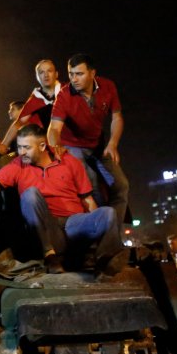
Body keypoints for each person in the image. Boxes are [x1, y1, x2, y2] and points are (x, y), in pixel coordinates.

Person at [0, 124, 123, 275]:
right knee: (30, 194)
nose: (21, 152)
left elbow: (88, 201)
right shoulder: (18, 166)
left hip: (74, 224)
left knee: (108, 213)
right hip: (47, 229)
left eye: (26, 148)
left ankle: (102, 261)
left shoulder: (69, 161)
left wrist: (97, 226)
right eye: (19, 147)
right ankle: (50, 257)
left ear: (43, 145)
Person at [47, 53, 129, 228]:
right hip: (73, 147)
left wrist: (113, 143)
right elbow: (54, 128)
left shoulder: (108, 86)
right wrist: (56, 145)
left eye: (79, 74)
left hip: (99, 146)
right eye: (71, 74)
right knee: (92, 187)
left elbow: (117, 117)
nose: (74, 79)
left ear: (92, 74)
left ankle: (113, 232)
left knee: (121, 185)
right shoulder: (64, 94)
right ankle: (98, 232)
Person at [1, 59, 61, 150]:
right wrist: (3, 145)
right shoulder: (36, 98)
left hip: (79, 142)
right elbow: (19, 122)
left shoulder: (67, 91)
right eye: (41, 72)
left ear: (56, 74)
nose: (46, 75)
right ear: (37, 77)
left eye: (49, 71)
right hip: (54, 146)